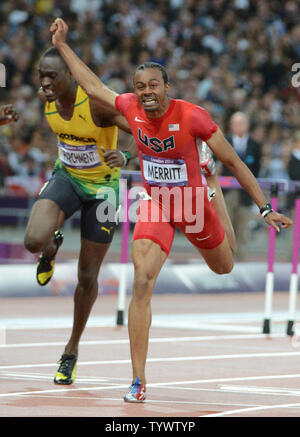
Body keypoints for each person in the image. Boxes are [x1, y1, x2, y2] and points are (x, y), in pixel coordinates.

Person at [50, 18, 293, 402]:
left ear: (167, 88)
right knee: (142, 280)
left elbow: (235, 162)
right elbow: (93, 85)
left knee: (223, 266)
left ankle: (210, 188)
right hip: (158, 204)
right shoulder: (129, 107)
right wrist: (63, 45)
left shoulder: (193, 116)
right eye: (139, 87)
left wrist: (264, 209)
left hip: (194, 204)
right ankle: (138, 380)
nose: (145, 93)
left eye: (152, 86)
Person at [23, 46, 136, 385]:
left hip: (103, 192)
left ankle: (71, 350)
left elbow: (142, 131)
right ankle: (51, 247)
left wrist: (126, 155)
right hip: (67, 178)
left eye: (51, 75)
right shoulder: (48, 102)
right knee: (33, 240)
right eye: (41, 74)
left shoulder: (98, 105)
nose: (44, 81)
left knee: (87, 277)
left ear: (71, 77)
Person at [220, 112, 262, 260]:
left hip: (245, 194)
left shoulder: (255, 146)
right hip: (226, 193)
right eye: (235, 123)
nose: (238, 126)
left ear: (247, 125)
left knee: (242, 232)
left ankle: (242, 264)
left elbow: (256, 170)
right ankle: (224, 263)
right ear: (231, 125)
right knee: (224, 231)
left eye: (241, 123)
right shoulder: (222, 141)